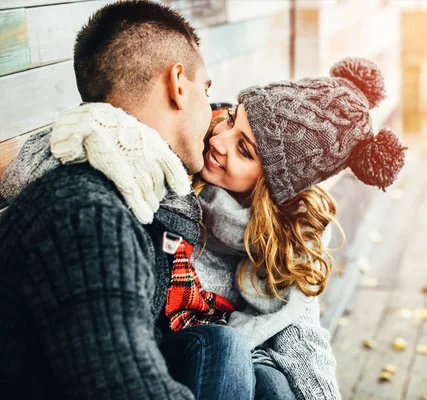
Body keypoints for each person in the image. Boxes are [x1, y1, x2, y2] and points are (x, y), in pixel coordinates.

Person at [0, 1, 255, 399]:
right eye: (206, 91)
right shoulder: (87, 214)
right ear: (177, 85)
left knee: (230, 351)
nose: (212, 115)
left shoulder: (134, 197)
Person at [158, 57, 407, 400]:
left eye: (243, 149)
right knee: (227, 346)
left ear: (271, 187)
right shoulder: (177, 165)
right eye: (232, 120)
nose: (218, 139)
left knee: (274, 384)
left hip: (228, 370)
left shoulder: (286, 240)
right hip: (168, 355)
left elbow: (301, 333)